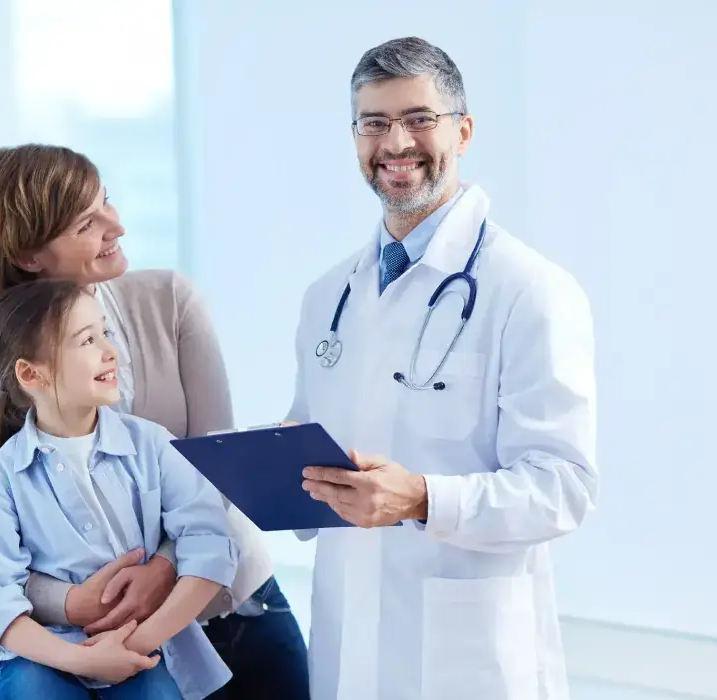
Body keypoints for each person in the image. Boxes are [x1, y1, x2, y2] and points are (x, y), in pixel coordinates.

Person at [288, 37, 599, 699]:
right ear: (354, 138)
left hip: (470, 662)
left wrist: (423, 498)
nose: (395, 142)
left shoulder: (529, 291)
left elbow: (562, 486)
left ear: (464, 129)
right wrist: (275, 470)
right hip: (350, 654)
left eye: (418, 119)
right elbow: (314, 459)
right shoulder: (329, 299)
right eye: (374, 123)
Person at [0, 145, 309, 699]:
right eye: (88, 221)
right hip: (90, 646)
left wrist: (164, 566)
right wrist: (72, 604)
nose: (117, 224)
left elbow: (219, 471)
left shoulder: (171, 302)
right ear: (30, 256)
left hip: (229, 608)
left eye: (106, 201)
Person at [0, 278, 239, 699]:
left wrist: (135, 644)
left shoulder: (154, 445)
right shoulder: (0, 480)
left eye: (106, 333)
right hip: (44, 657)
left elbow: (209, 547)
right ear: (30, 373)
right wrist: (84, 659)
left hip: (146, 646)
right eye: (87, 340)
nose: (110, 350)